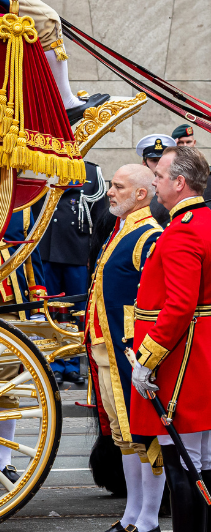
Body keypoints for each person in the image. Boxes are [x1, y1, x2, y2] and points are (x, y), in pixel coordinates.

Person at [131, 145, 211, 532]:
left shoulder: (181, 231)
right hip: (199, 353)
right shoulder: (205, 220)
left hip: (181, 360)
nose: (154, 182)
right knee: (203, 460)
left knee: (183, 462)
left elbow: (179, 307)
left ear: (179, 183)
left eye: (160, 176)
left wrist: (147, 358)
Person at [85, 164, 165, 532]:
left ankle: (147, 518)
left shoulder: (149, 236)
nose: (110, 192)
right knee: (124, 439)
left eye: (118, 187)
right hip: (107, 355)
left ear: (140, 194)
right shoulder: (120, 231)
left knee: (144, 438)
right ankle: (132, 513)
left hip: (131, 354)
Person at [39, 160, 107, 385]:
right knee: (51, 312)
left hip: (77, 254)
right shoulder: (42, 162)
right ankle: (54, 363)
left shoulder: (90, 171)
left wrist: (93, 255)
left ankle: (74, 363)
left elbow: (99, 220)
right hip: (47, 253)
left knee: (78, 313)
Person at [137, 134, 176, 226]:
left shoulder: (178, 186)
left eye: (162, 159)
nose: (159, 164)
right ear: (144, 162)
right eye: (154, 160)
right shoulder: (136, 186)